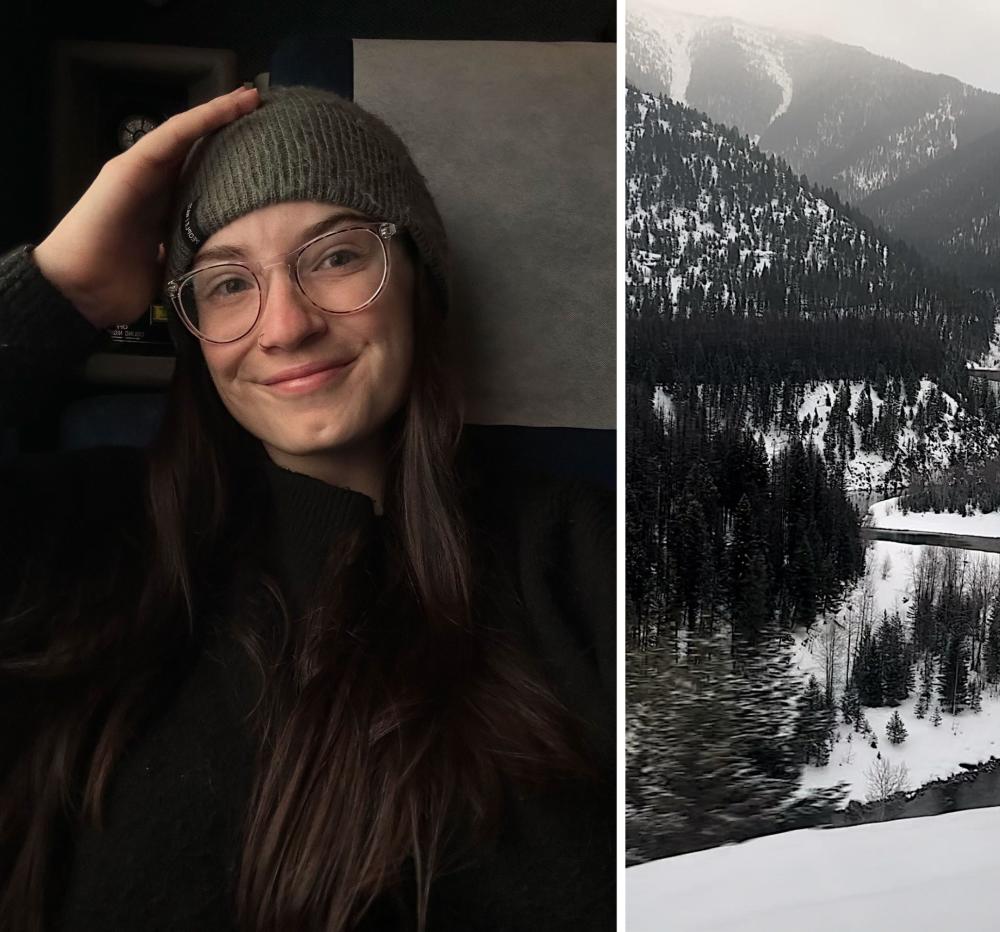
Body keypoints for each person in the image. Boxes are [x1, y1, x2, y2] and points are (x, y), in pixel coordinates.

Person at [0, 85, 614, 931]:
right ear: (192, 331)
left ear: (416, 280)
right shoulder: (94, 543)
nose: (284, 327)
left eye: (335, 258)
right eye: (225, 285)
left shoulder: (583, 560)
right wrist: (56, 290)